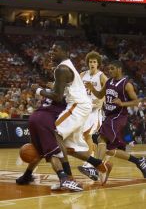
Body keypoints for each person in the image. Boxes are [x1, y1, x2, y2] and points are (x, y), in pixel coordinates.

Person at [31, 41, 112, 184]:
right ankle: (100, 165)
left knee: (54, 132)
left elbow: (57, 96)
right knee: (69, 146)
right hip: (81, 105)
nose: (51, 52)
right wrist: (52, 89)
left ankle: (68, 177)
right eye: (51, 49)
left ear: (65, 52)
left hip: (78, 105)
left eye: (55, 50)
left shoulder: (62, 69)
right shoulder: (68, 67)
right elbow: (61, 93)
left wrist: (38, 90)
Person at [78, 60, 146, 184]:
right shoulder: (109, 81)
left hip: (118, 117)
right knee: (109, 149)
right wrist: (92, 88)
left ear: (119, 69)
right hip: (109, 117)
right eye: (109, 69)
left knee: (101, 139)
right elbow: (99, 95)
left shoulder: (127, 84)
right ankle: (139, 161)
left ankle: (95, 168)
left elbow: (137, 102)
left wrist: (123, 103)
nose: (109, 71)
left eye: (112, 69)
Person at [16, 97, 84, 191]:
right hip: (45, 120)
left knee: (38, 151)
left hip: (33, 117)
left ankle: (27, 176)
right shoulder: (69, 95)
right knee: (53, 152)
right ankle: (64, 179)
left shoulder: (52, 93)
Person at [80, 51, 107, 167]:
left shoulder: (101, 76)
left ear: (98, 63)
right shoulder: (82, 75)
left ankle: (89, 162)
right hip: (84, 108)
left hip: (95, 111)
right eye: (90, 61)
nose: (92, 63)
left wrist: (101, 101)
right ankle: (92, 157)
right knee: (84, 136)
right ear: (88, 63)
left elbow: (108, 90)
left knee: (87, 135)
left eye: (94, 62)